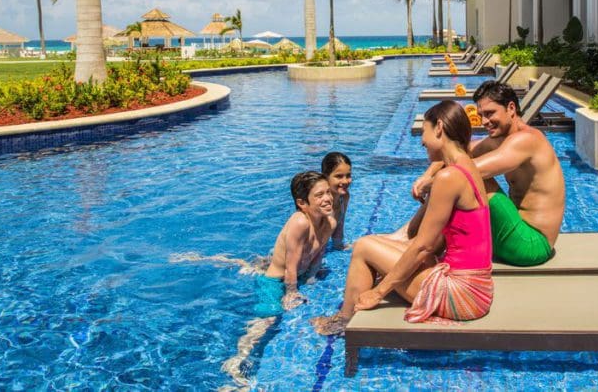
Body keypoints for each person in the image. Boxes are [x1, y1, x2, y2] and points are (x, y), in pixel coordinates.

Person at [312, 100, 493, 335]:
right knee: (379, 244)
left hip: (462, 296)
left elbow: (423, 247)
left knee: (364, 247)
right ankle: (346, 317)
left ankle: (344, 321)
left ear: (439, 128)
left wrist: (378, 293)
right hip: (477, 286)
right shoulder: (467, 166)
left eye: (424, 132)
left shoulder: (449, 177)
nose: (422, 141)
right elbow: (430, 238)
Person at [173, 171, 335, 388]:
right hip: (274, 281)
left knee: (249, 266)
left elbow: (318, 254)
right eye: (319, 195)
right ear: (302, 203)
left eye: (327, 192)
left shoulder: (329, 222)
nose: (327, 198)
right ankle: (237, 361)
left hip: (297, 274)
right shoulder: (300, 222)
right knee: (268, 318)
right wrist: (291, 291)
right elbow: (290, 264)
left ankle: (209, 259)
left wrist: (313, 277)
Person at [407, 80, 565, 267]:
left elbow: (463, 172)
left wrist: (430, 183)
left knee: (469, 179)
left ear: (511, 108)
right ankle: (416, 240)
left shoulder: (527, 140)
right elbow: (455, 151)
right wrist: (427, 174)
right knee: (458, 168)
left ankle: (415, 241)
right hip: (510, 234)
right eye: (481, 115)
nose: (484, 121)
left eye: (490, 114)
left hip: (532, 246)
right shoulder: (501, 138)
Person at [321, 152, 353, 249]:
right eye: (339, 176)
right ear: (326, 176)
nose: (345, 181)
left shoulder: (344, 197)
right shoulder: (320, 202)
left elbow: (339, 226)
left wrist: (338, 246)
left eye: (348, 175)